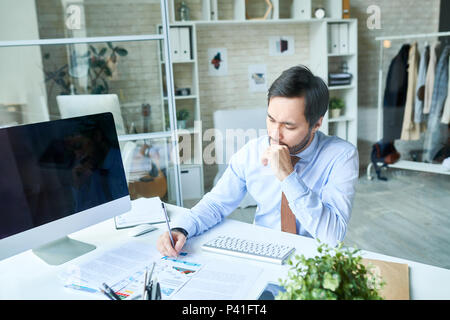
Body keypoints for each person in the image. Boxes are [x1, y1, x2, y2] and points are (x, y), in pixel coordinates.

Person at [157, 65, 359, 257]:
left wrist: (288, 176)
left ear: (316, 124)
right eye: (271, 119)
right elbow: (216, 204)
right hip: (262, 252)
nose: (274, 134)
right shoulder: (251, 152)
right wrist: (181, 228)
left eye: (288, 126)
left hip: (314, 260)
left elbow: (332, 237)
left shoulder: (341, 156)